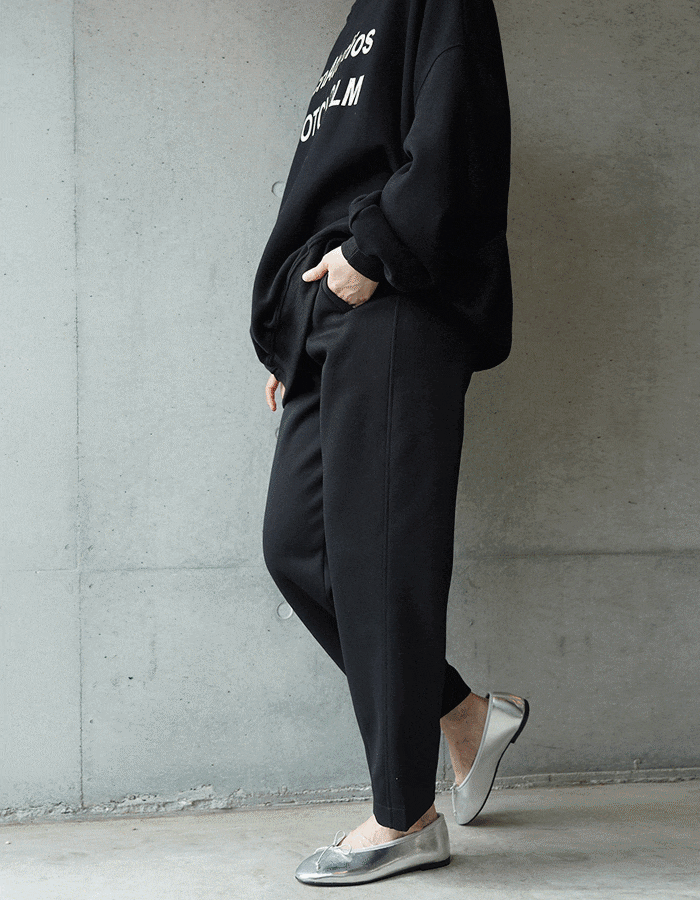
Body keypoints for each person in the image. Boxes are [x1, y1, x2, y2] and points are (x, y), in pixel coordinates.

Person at [250, 0, 529, 885]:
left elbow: (459, 131)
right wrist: (291, 334)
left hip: (395, 298)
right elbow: (321, 187)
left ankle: (405, 814)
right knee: (297, 548)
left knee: (384, 556)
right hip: (327, 318)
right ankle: (464, 714)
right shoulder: (355, 26)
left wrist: (372, 253)